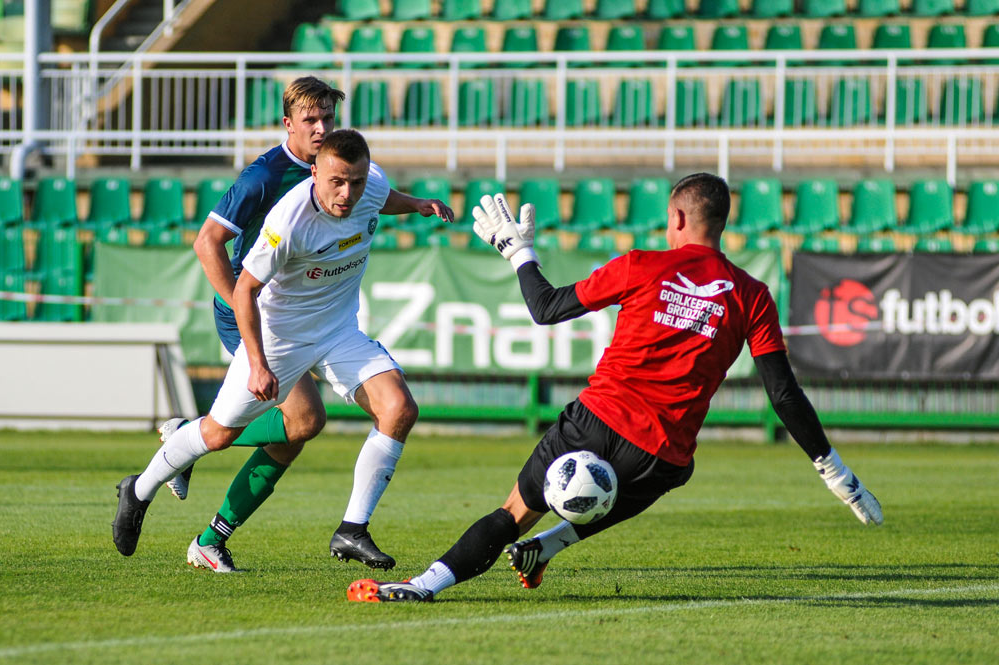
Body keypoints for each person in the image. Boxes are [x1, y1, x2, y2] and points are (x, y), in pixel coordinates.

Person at [345, 174, 883, 603]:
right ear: (721, 223)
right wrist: (834, 471)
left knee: (511, 513)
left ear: (676, 217)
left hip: (595, 420)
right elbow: (783, 395)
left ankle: (423, 586)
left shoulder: (641, 266)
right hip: (661, 455)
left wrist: (518, 252)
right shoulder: (753, 295)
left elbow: (546, 308)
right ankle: (547, 549)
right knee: (666, 474)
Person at [114, 129, 447, 573]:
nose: (348, 194)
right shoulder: (289, 220)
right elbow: (245, 291)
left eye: (357, 182)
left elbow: (383, 197)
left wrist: (419, 205)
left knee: (399, 409)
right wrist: (256, 361)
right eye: (337, 183)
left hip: (339, 331)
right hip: (280, 336)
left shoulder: (370, 185)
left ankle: (352, 528)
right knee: (218, 435)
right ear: (314, 173)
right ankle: (140, 489)